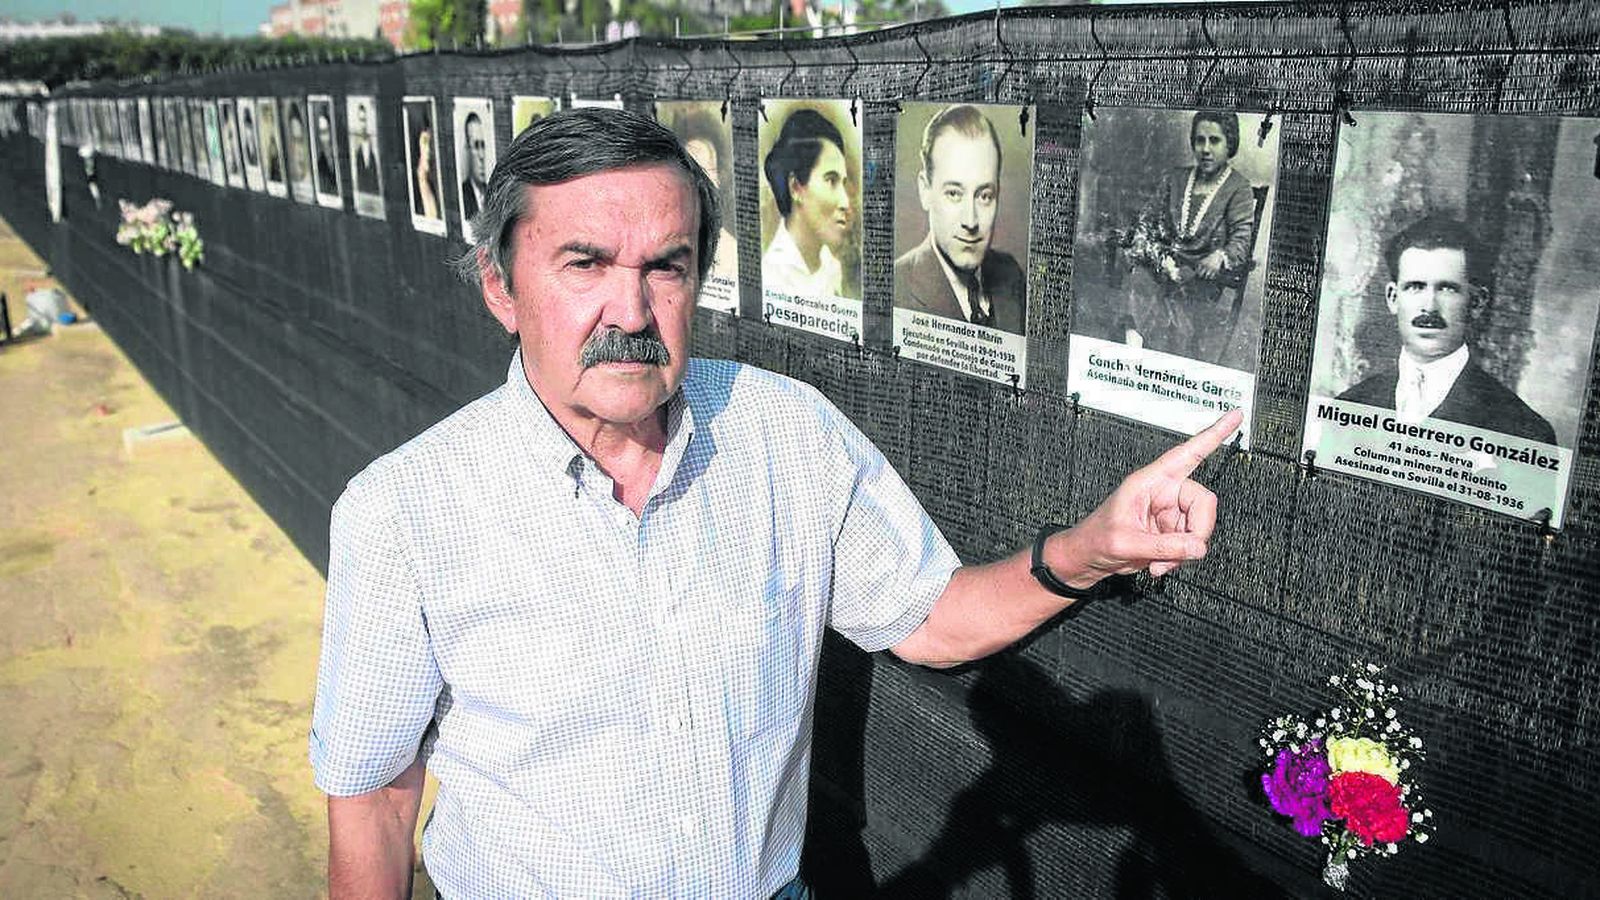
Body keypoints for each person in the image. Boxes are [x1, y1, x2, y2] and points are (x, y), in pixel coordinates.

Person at [310, 108, 1240, 899]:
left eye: (665, 267)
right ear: (500, 287)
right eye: (584, 264)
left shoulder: (784, 434)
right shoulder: (405, 513)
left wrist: (1089, 549)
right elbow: (378, 795)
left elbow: (927, 616)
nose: (631, 313)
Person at [1337, 214, 1556, 443]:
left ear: (1477, 302)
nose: (1429, 307)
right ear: (1393, 298)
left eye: (1447, 289)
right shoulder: (1349, 407)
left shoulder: (1525, 432)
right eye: (1415, 287)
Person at [1121, 110, 1257, 361]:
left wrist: (1220, 256)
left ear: (1230, 144)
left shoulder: (1239, 188)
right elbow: (1146, 221)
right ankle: (1133, 360)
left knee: (1176, 313)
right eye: (1199, 140)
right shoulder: (1175, 178)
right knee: (1139, 278)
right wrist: (1160, 258)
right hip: (1165, 266)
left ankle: (1158, 362)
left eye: (1214, 141)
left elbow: (1241, 240)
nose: (1205, 149)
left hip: (1200, 276)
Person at [893, 104, 1026, 335]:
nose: (971, 221)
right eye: (954, 193)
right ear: (925, 191)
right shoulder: (897, 286)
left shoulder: (1011, 274)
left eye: (985, 196)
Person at [761, 108, 853, 298]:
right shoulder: (771, 275)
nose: (845, 202)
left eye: (843, 183)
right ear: (796, 188)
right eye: (831, 180)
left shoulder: (832, 268)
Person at [668, 106, 739, 282]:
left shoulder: (730, 253)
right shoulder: (663, 242)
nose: (702, 186)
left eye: (710, 171)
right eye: (693, 174)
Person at [459, 111, 488, 222]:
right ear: (467, 150)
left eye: (483, 145)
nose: (481, 155)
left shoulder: (492, 193)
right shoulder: (462, 196)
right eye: (476, 146)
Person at [351, 102, 379, 196]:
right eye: (361, 120)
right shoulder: (356, 148)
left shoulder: (372, 145)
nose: (363, 124)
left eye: (365, 120)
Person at [315, 108, 339, 196]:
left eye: (326, 131)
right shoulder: (320, 163)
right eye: (322, 133)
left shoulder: (340, 157)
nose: (324, 137)